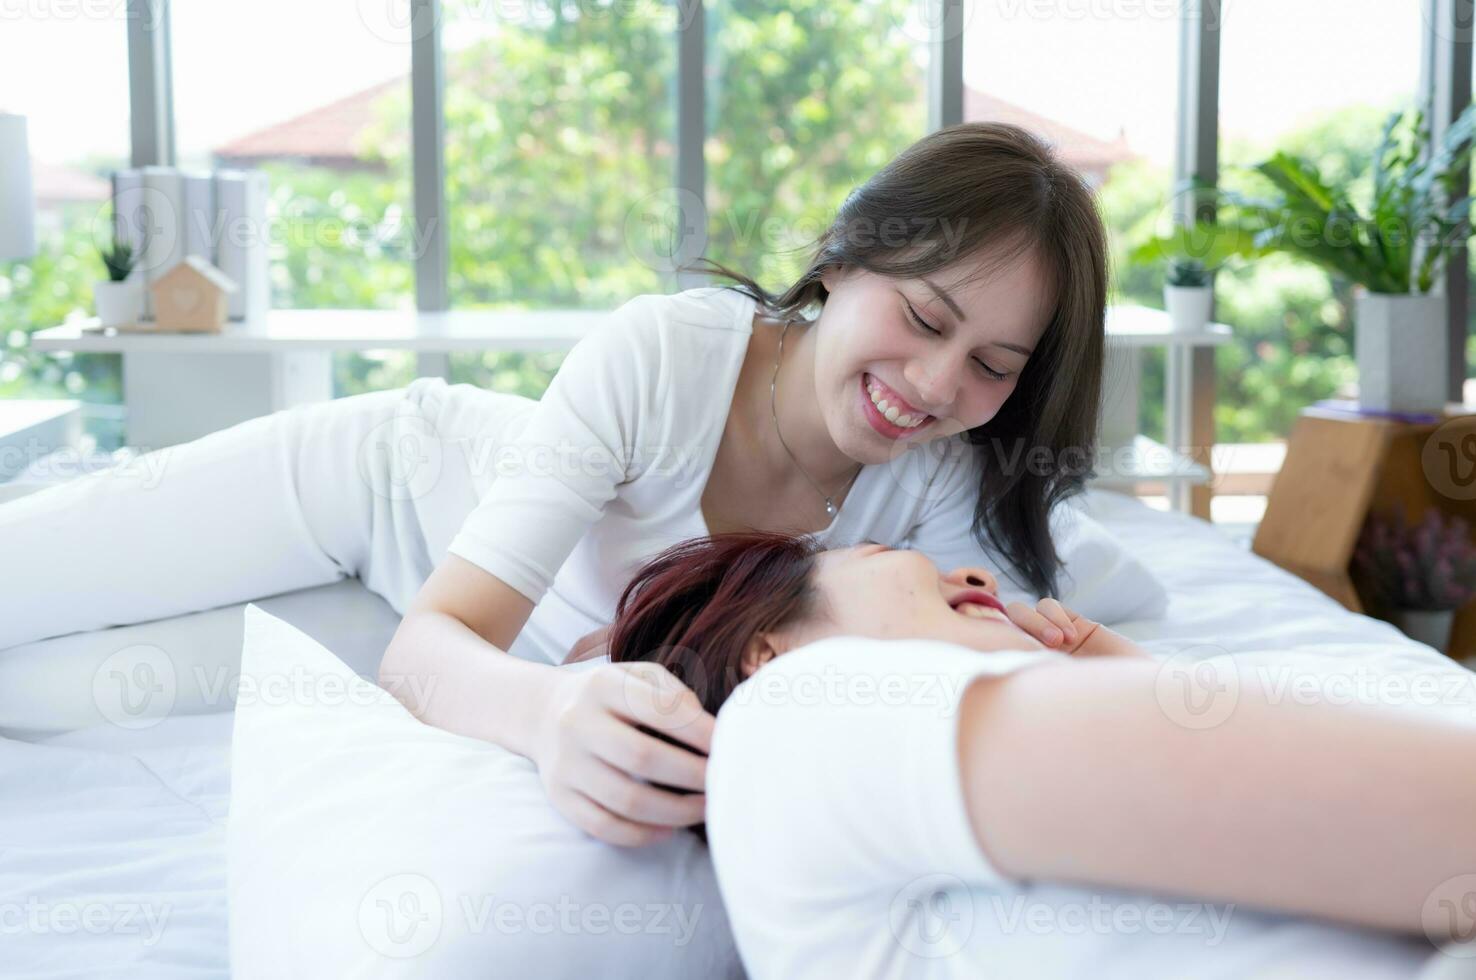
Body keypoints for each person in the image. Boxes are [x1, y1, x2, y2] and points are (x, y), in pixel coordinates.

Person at [3, 122, 1150, 849]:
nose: (935, 384)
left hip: (429, 633)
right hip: (377, 495)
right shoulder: (667, 353)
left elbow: (1003, 688)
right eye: (924, 316)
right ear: (845, 261)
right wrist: (551, 714)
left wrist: (1116, 676)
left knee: (51, 697)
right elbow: (442, 636)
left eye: (994, 366)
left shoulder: (937, 487)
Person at [603, 531, 1476, 977]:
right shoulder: (796, 711)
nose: (981, 580)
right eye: (882, 553)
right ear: (765, 646)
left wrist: (1143, 683)